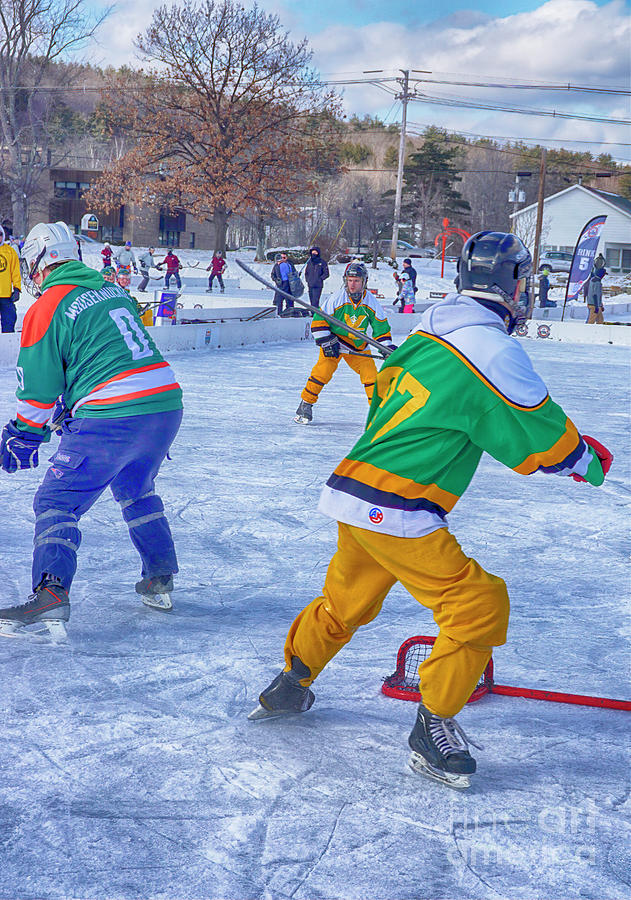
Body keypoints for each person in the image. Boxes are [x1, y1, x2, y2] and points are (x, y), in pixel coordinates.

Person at [252, 231, 613, 789]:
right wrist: (586, 460)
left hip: (355, 490)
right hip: (398, 505)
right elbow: (542, 441)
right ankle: (433, 722)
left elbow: (388, 399)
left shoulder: (423, 337)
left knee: (345, 603)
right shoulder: (492, 350)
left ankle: (292, 682)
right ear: (510, 285)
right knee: (479, 605)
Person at [0, 221, 184, 639]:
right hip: (164, 405)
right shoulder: (109, 289)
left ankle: (50, 593)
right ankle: (159, 577)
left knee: (56, 498)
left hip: (113, 414)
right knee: (135, 487)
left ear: (39, 264)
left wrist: (25, 433)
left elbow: (40, 387)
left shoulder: (47, 306)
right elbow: (100, 355)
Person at [294, 261, 396, 425]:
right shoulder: (336, 299)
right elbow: (318, 323)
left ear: (364, 282)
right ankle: (306, 404)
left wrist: (386, 348)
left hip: (357, 345)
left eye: (356, 281)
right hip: (334, 341)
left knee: (371, 377)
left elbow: (381, 328)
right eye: (349, 280)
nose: (352, 284)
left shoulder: (371, 302)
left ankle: (379, 413)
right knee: (323, 371)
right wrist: (326, 341)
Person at [0, 225, 21, 333]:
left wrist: (17, 289)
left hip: (6, 295)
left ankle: (7, 341)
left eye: (0, 234)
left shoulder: (10, 251)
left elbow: (15, 272)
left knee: (9, 321)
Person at [271, 251, 295, 316]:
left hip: (289, 284)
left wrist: (295, 277)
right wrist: (276, 280)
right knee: (279, 301)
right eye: (281, 257)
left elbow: (294, 273)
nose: (282, 259)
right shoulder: (276, 266)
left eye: (284, 257)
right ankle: (279, 313)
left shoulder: (290, 265)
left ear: (286, 258)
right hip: (281, 285)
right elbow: (273, 275)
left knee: (289, 300)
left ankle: (289, 313)